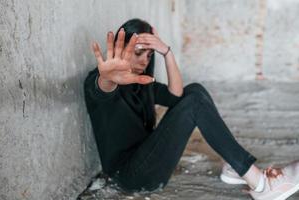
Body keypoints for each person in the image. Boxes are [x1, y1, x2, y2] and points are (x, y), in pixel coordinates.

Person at [84, 18, 299, 200]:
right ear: (122, 48)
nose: (143, 60)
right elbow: (102, 89)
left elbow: (175, 95)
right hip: (131, 176)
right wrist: (106, 78)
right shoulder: (99, 81)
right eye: (138, 52)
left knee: (194, 90)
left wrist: (167, 52)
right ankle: (260, 184)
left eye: (149, 55)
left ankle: (235, 165)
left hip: (147, 160)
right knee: (194, 102)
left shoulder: (141, 82)